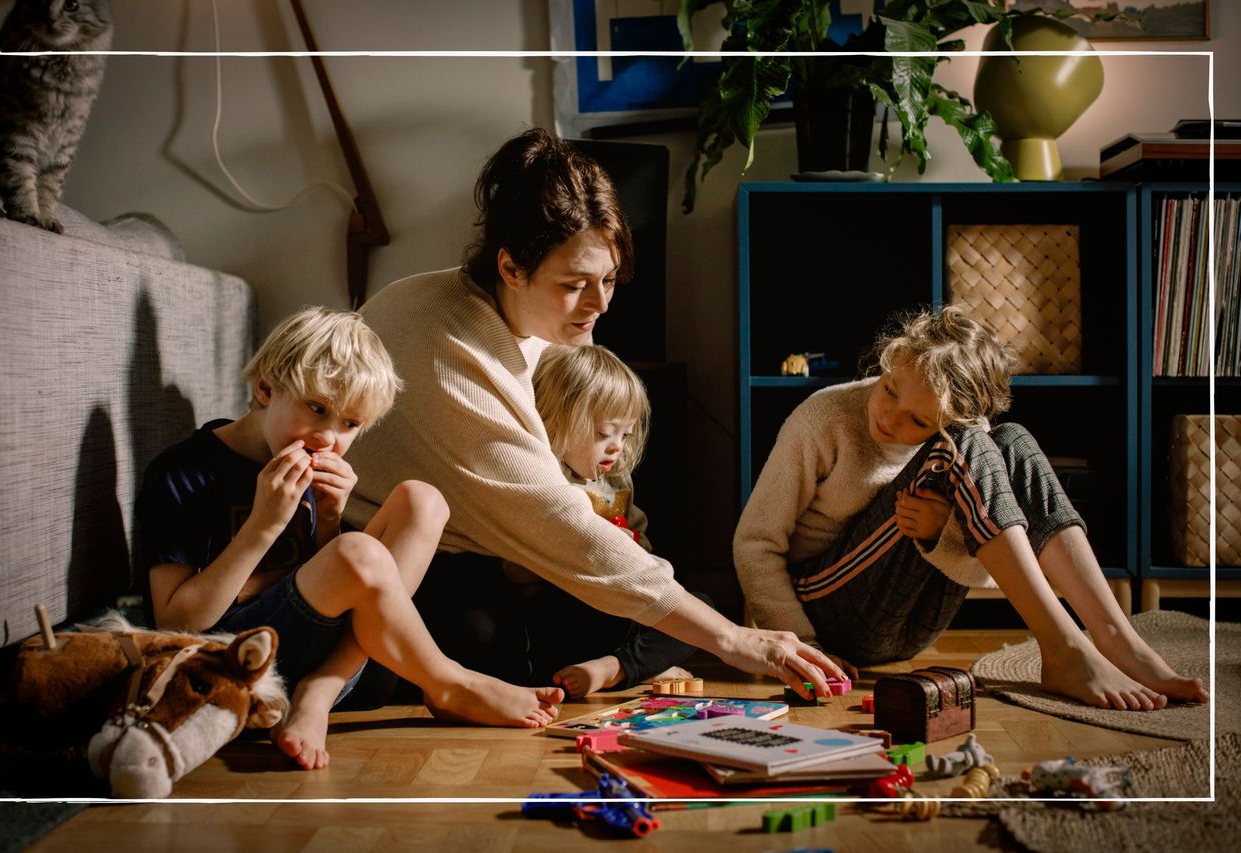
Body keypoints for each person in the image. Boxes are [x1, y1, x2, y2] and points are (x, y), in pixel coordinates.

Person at [343, 127, 845, 700]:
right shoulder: (449, 343)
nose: (601, 302)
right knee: (493, 635)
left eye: (607, 280)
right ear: (510, 267)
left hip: (495, 560)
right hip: (406, 568)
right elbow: (557, 523)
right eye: (575, 284)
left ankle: (611, 661)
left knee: (659, 606)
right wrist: (734, 640)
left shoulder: (524, 324)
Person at [138, 306, 564, 771]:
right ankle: (446, 682)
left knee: (422, 501)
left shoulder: (311, 459)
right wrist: (263, 526)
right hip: (244, 665)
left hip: (343, 664)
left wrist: (329, 519)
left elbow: (322, 581)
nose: (328, 437)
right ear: (265, 389)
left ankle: (320, 691)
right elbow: (177, 624)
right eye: (317, 409)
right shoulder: (183, 472)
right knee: (358, 551)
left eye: (350, 424)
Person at [734, 306, 1208, 711]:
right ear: (887, 361)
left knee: (1011, 441)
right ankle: (1063, 646)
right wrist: (804, 646)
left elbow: (984, 568)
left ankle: (1116, 638)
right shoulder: (822, 418)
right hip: (825, 613)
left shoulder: (966, 434)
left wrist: (944, 532)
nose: (888, 415)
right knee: (962, 448)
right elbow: (754, 545)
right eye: (890, 388)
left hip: (910, 626)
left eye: (917, 420)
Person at [524, 343, 698, 696]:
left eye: (625, 434)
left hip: (618, 605)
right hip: (561, 609)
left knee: (699, 606)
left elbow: (640, 538)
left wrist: (638, 554)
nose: (617, 446)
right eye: (604, 434)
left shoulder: (616, 478)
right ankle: (638, 666)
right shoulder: (544, 476)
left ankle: (616, 668)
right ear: (557, 420)